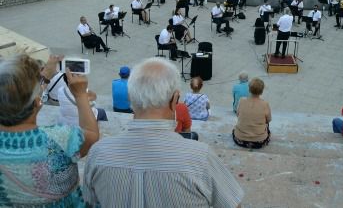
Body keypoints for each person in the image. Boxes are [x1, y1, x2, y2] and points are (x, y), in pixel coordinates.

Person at [83, 58, 244, 207]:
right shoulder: (199, 158)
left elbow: (90, 202)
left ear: (130, 99)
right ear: (175, 100)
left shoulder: (98, 153)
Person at [0, 55, 99, 207]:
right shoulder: (60, 138)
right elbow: (92, 134)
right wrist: (80, 95)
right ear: (38, 103)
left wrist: (45, 76)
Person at [233, 77, 272, 149]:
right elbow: (268, 120)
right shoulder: (265, 104)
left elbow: (238, 115)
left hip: (240, 139)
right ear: (262, 91)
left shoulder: (241, 101)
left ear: (249, 89)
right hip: (259, 141)